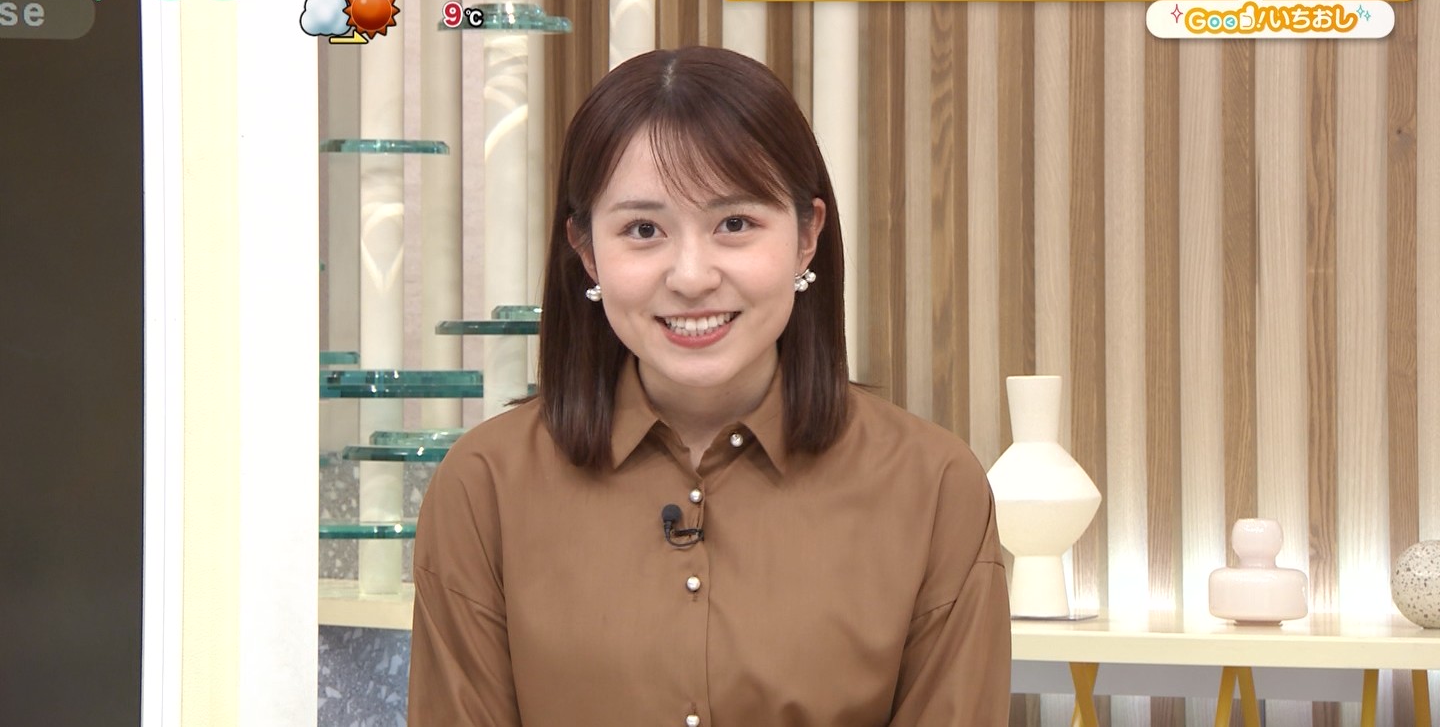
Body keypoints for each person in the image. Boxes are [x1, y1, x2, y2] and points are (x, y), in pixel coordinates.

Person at [407, 46, 1010, 726]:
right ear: (586, 250)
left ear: (807, 235)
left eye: (735, 224)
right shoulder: (484, 487)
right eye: (643, 230)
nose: (691, 277)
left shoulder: (933, 488)